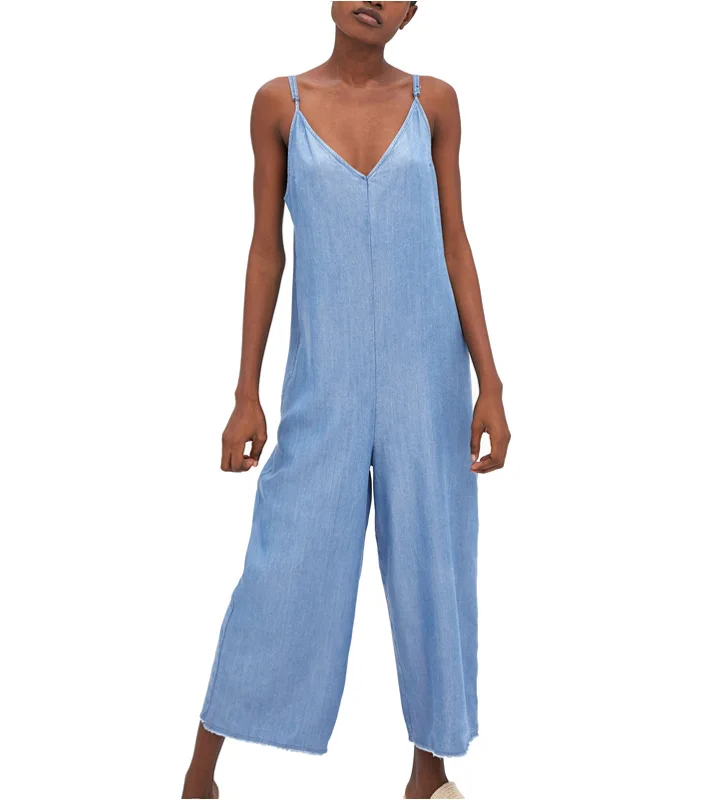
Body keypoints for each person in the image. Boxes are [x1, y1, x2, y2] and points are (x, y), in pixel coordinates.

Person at [182, 3, 510, 798]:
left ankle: (429, 777)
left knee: (434, 565)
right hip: (321, 382)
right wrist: (245, 392)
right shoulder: (279, 103)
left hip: (427, 379)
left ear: (411, 13)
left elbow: (455, 243)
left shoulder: (435, 103)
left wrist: (491, 383)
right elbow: (266, 250)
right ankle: (199, 778)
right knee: (284, 567)